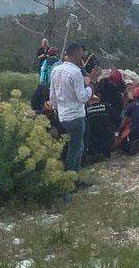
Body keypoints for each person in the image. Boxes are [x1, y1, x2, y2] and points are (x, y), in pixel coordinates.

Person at [49, 42, 100, 188]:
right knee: (75, 149)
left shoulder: (56, 70)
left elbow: (52, 95)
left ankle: (74, 178)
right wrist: (92, 84)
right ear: (76, 54)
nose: (82, 57)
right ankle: (70, 180)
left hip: (62, 115)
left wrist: (56, 110)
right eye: (81, 54)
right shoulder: (76, 72)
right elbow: (83, 97)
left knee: (77, 146)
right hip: (76, 116)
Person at [84, 94, 119, 161]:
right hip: (108, 142)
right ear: (98, 100)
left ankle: (93, 154)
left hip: (92, 143)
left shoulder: (85, 110)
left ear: (88, 101)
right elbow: (117, 120)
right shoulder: (106, 106)